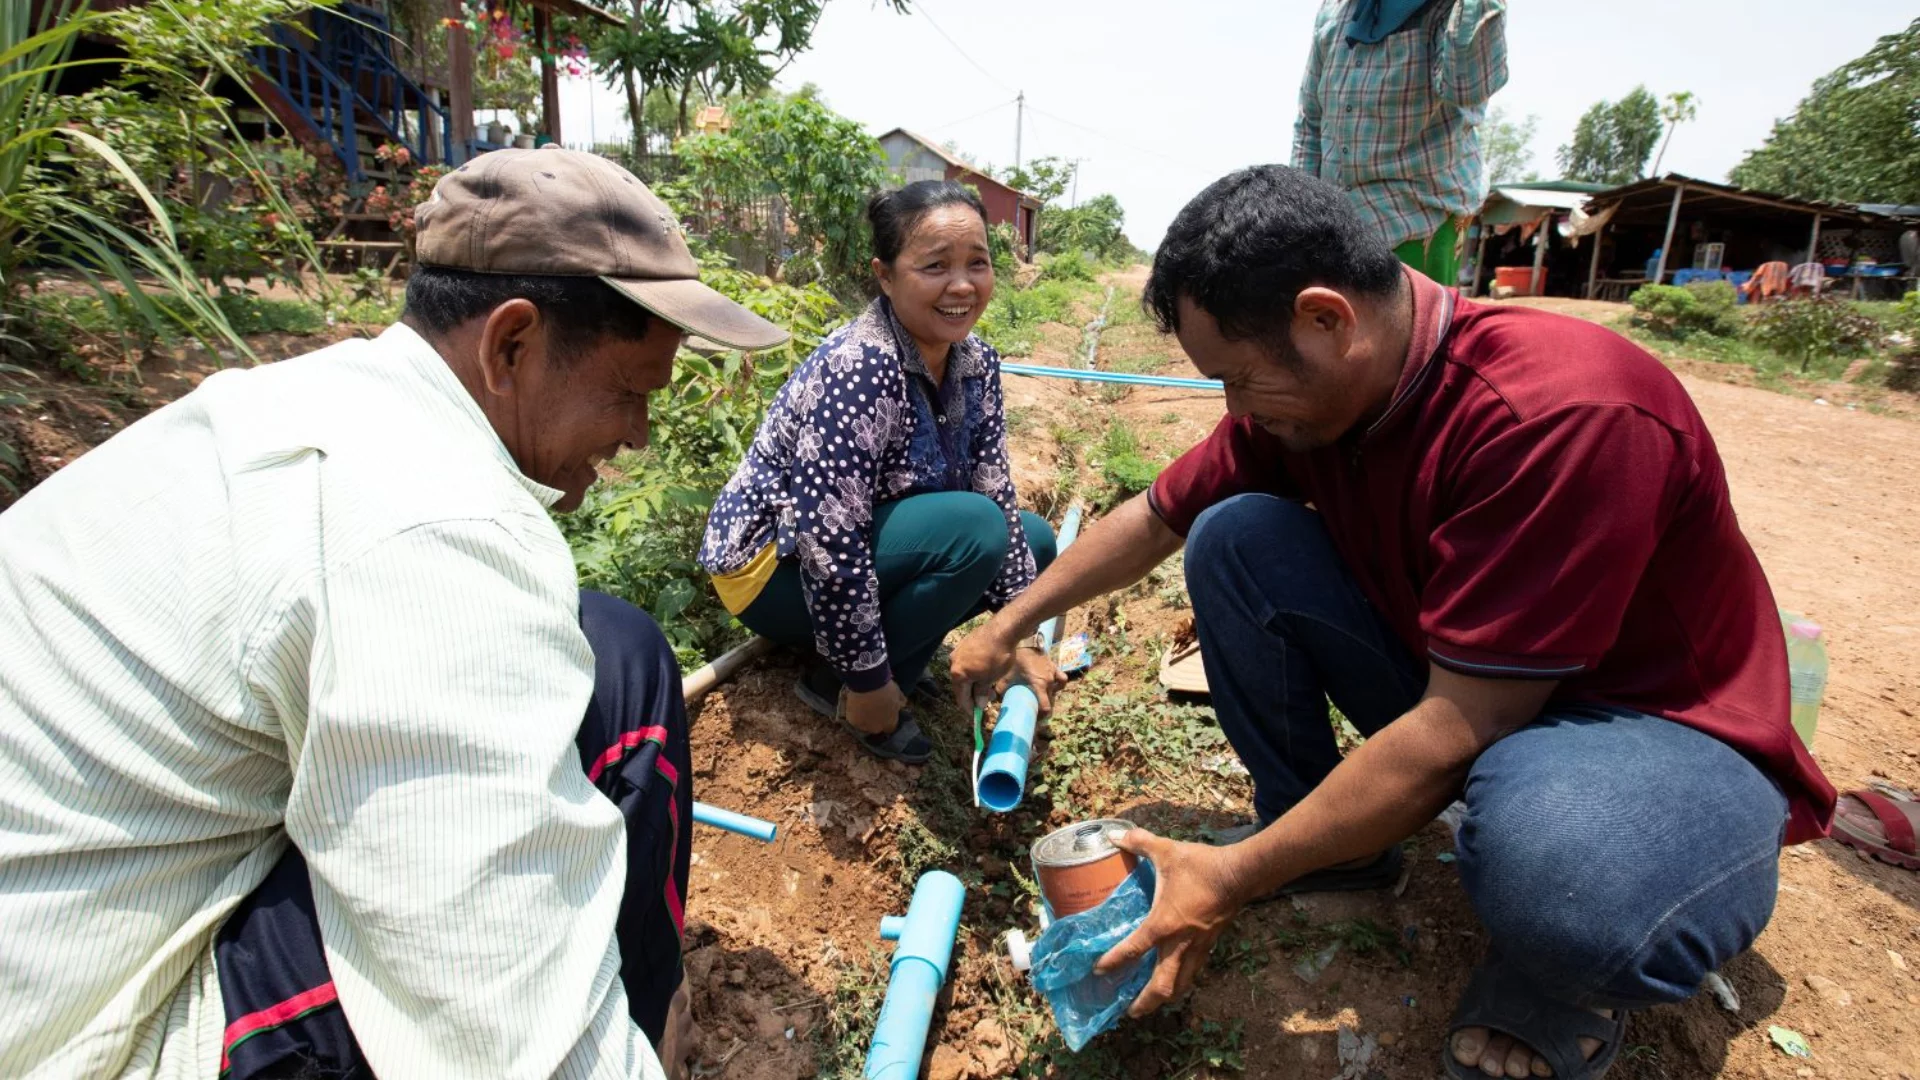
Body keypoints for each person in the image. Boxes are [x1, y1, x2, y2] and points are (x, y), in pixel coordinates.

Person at [950, 166, 1837, 1080]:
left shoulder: (1558, 413)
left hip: (1647, 727)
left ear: (1328, 319)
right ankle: (1326, 850)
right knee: (1232, 536)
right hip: (1480, 683)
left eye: (1240, 378)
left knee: (1568, 892)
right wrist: (1007, 624)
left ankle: (1556, 975)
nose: (1236, 410)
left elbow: (1459, 727)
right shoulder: (1318, 396)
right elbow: (1156, 518)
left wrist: (1231, 874)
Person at [0, 147, 788, 1080]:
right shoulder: (430, 528)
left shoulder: (317, 399)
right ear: (512, 344)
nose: (640, 434)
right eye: (630, 392)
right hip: (84, 1027)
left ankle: (645, 1007)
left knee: (614, 649)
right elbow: (493, 1012)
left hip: (102, 892)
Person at [699, 181, 1062, 764]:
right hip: (773, 567)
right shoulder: (862, 366)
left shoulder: (975, 362)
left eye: (978, 263)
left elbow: (994, 480)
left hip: (857, 542)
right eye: (935, 266)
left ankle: (874, 658)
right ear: (885, 275)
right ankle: (844, 685)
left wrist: (1019, 636)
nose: (962, 286)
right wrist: (868, 682)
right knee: (978, 529)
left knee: (1036, 540)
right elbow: (826, 536)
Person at [1293, 0, 1507, 286]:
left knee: (1415, 329)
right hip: (1337, 228)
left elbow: (1467, 88)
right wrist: (1302, 215)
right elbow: (1310, 121)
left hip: (1418, 216)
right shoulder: (1336, 10)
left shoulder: (1447, 7)